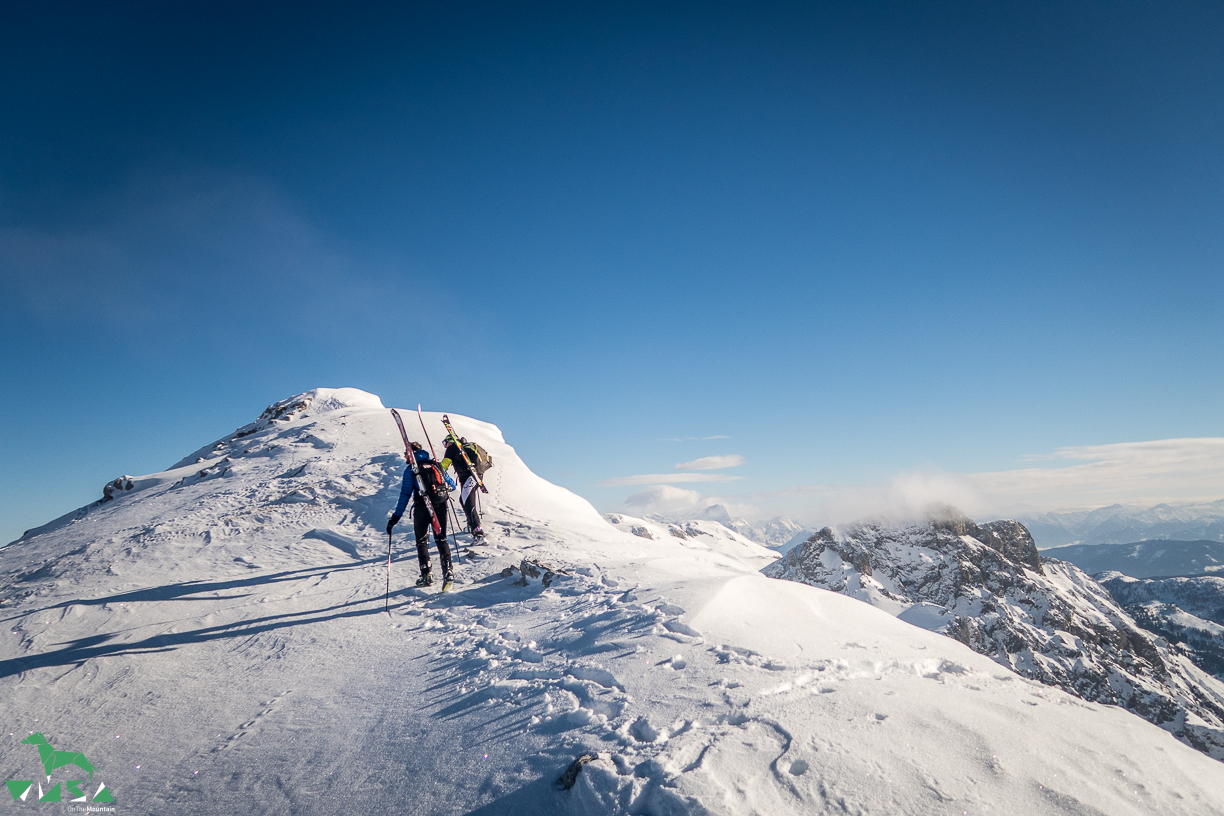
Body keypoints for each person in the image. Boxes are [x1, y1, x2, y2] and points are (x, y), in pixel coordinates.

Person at [387, 442, 456, 586]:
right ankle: (448, 571)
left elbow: (404, 495)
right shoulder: (436, 465)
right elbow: (452, 485)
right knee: (441, 539)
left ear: (411, 453)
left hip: (422, 507)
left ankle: (426, 575)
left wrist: (395, 517)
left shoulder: (411, 470)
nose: (404, 456)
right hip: (441, 506)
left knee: (422, 541)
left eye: (406, 453)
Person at [440, 433, 485, 544]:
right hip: (474, 476)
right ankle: (471, 525)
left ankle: (478, 531)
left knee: (468, 502)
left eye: (445, 443)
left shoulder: (452, 448)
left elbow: (445, 464)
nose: (445, 446)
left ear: (449, 441)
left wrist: (437, 469)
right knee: (463, 500)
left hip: (469, 477)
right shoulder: (461, 449)